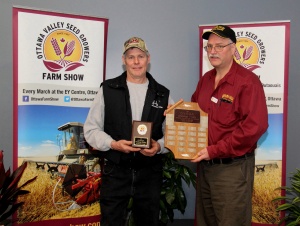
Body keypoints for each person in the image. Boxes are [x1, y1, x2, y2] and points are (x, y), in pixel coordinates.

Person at [84, 36, 173, 226]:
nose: (136, 62)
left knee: (148, 221)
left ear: (148, 59)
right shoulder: (108, 89)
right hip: (116, 171)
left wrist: (159, 146)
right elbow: (91, 129)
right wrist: (113, 144)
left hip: (149, 172)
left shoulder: (163, 93)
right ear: (124, 60)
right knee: (111, 220)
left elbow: (172, 132)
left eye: (140, 56)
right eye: (131, 57)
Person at [191, 25, 268, 226]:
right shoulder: (205, 80)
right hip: (205, 167)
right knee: (205, 221)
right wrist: (175, 113)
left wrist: (215, 150)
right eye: (209, 47)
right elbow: (194, 113)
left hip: (232, 169)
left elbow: (255, 127)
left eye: (219, 46)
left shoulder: (247, 82)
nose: (213, 51)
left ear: (233, 49)